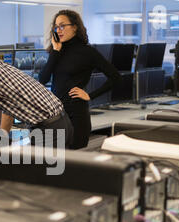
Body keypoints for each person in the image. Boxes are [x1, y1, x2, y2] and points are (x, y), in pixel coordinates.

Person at [0, 35, 73, 149]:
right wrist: (3, 136)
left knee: (40, 168)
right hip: (61, 122)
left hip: (49, 129)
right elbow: (9, 106)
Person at [39, 10, 121, 149]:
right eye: (56, 27)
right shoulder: (57, 51)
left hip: (76, 116)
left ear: (75, 27)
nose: (59, 30)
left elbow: (116, 78)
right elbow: (42, 79)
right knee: (56, 164)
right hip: (57, 116)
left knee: (73, 165)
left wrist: (90, 95)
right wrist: (56, 51)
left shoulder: (87, 52)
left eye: (63, 26)